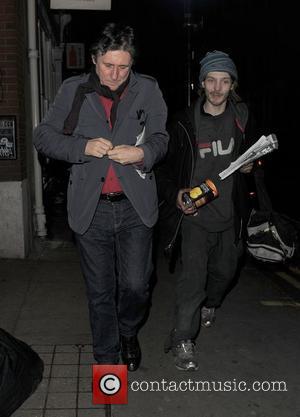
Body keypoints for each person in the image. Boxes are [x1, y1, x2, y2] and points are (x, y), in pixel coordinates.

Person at [34, 23, 168, 371]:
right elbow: (43, 136)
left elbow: (160, 138)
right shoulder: (73, 89)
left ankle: (128, 331)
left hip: (135, 206)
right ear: (94, 60)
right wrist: (82, 147)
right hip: (90, 209)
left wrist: (142, 154)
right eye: (108, 65)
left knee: (137, 286)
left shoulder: (147, 89)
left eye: (124, 67)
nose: (115, 74)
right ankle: (108, 365)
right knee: (100, 292)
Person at [156, 50, 254, 371]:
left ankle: (211, 303)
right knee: (191, 279)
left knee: (226, 271)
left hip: (231, 216)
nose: (216, 87)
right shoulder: (184, 123)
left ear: (232, 85)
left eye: (224, 81)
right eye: (211, 80)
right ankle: (184, 337)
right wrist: (177, 195)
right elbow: (164, 172)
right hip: (195, 217)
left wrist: (251, 166)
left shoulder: (242, 118)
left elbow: (253, 159)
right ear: (201, 83)